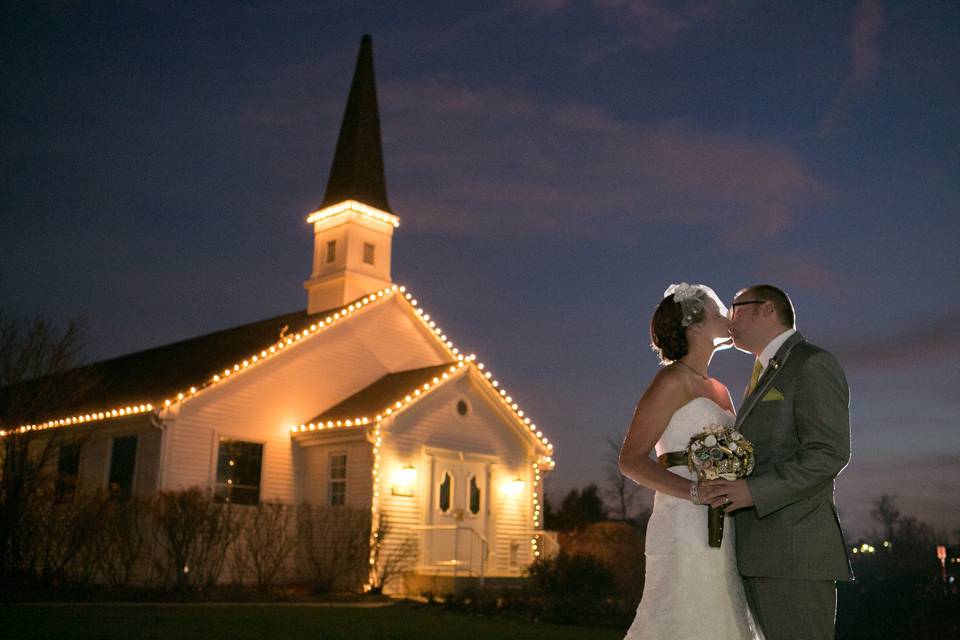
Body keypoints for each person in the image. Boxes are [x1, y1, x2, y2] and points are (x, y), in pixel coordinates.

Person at [699, 284, 853, 640]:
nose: (728, 319)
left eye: (735, 308)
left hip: (794, 555)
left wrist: (752, 491)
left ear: (767, 309)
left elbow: (829, 452)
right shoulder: (765, 371)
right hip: (760, 554)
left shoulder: (812, 363)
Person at [619, 283, 763, 640]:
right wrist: (696, 492)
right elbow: (631, 460)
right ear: (695, 324)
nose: (728, 318)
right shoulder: (671, 381)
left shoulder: (721, 390)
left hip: (726, 522)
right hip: (684, 519)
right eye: (718, 312)